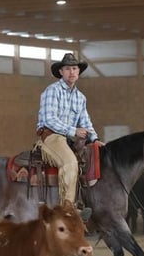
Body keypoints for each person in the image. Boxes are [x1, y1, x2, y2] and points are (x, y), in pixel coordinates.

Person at [36, 52, 98, 221]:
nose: (72, 72)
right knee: (70, 162)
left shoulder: (80, 98)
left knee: (95, 159)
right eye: (68, 68)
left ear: (78, 72)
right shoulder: (52, 91)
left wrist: (95, 139)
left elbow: (86, 122)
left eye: (75, 68)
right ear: (61, 72)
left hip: (70, 138)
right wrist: (73, 131)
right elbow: (49, 119)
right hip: (52, 137)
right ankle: (68, 209)